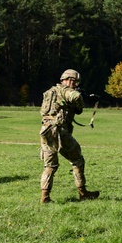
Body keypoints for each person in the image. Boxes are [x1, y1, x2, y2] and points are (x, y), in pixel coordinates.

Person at [39, 69, 99, 203]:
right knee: (77, 160)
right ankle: (83, 193)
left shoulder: (51, 91)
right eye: (75, 82)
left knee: (50, 166)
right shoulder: (65, 90)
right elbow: (76, 97)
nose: (76, 85)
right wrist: (80, 103)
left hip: (45, 130)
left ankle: (45, 197)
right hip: (59, 131)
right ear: (69, 80)